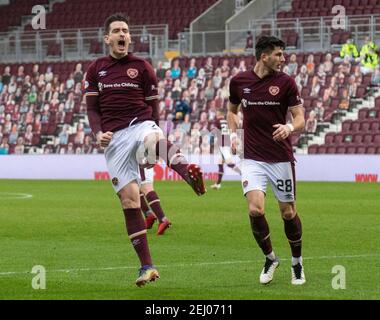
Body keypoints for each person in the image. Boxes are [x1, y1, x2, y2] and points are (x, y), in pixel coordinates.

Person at [85, 13, 206, 287]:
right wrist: (97, 133)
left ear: (129, 37)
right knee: (129, 202)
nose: (122, 35)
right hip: (114, 141)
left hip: (141, 123)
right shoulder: (95, 69)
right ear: (107, 38)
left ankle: (190, 176)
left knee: (153, 139)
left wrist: (154, 129)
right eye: (117, 30)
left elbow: (154, 108)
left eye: (126, 30)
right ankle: (147, 267)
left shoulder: (143, 67)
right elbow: (92, 109)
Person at [227, 36, 306, 285]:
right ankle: (271, 258)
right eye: (279, 55)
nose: (283, 59)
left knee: (288, 212)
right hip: (252, 158)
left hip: (281, 158)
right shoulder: (239, 81)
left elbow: (301, 118)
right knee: (255, 209)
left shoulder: (286, 83)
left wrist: (289, 127)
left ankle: (297, 263)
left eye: (283, 55)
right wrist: (232, 133)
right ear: (264, 56)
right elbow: (231, 110)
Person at [210, 110, 241, 190]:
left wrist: (213, 140)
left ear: (219, 113)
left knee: (229, 163)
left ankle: (244, 174)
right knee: (220, 163)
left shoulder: (217, 121)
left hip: (223, 144)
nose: (216, 114)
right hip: (227, 142)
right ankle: (218, 184)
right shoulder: (226, 121)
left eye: (217, 113)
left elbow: (215, 131)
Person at [139, 165, 172, 235]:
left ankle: (163, 219)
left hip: (141, 160)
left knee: (146, 188)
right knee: (133, 188)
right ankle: (149, 215)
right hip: (136, 161)